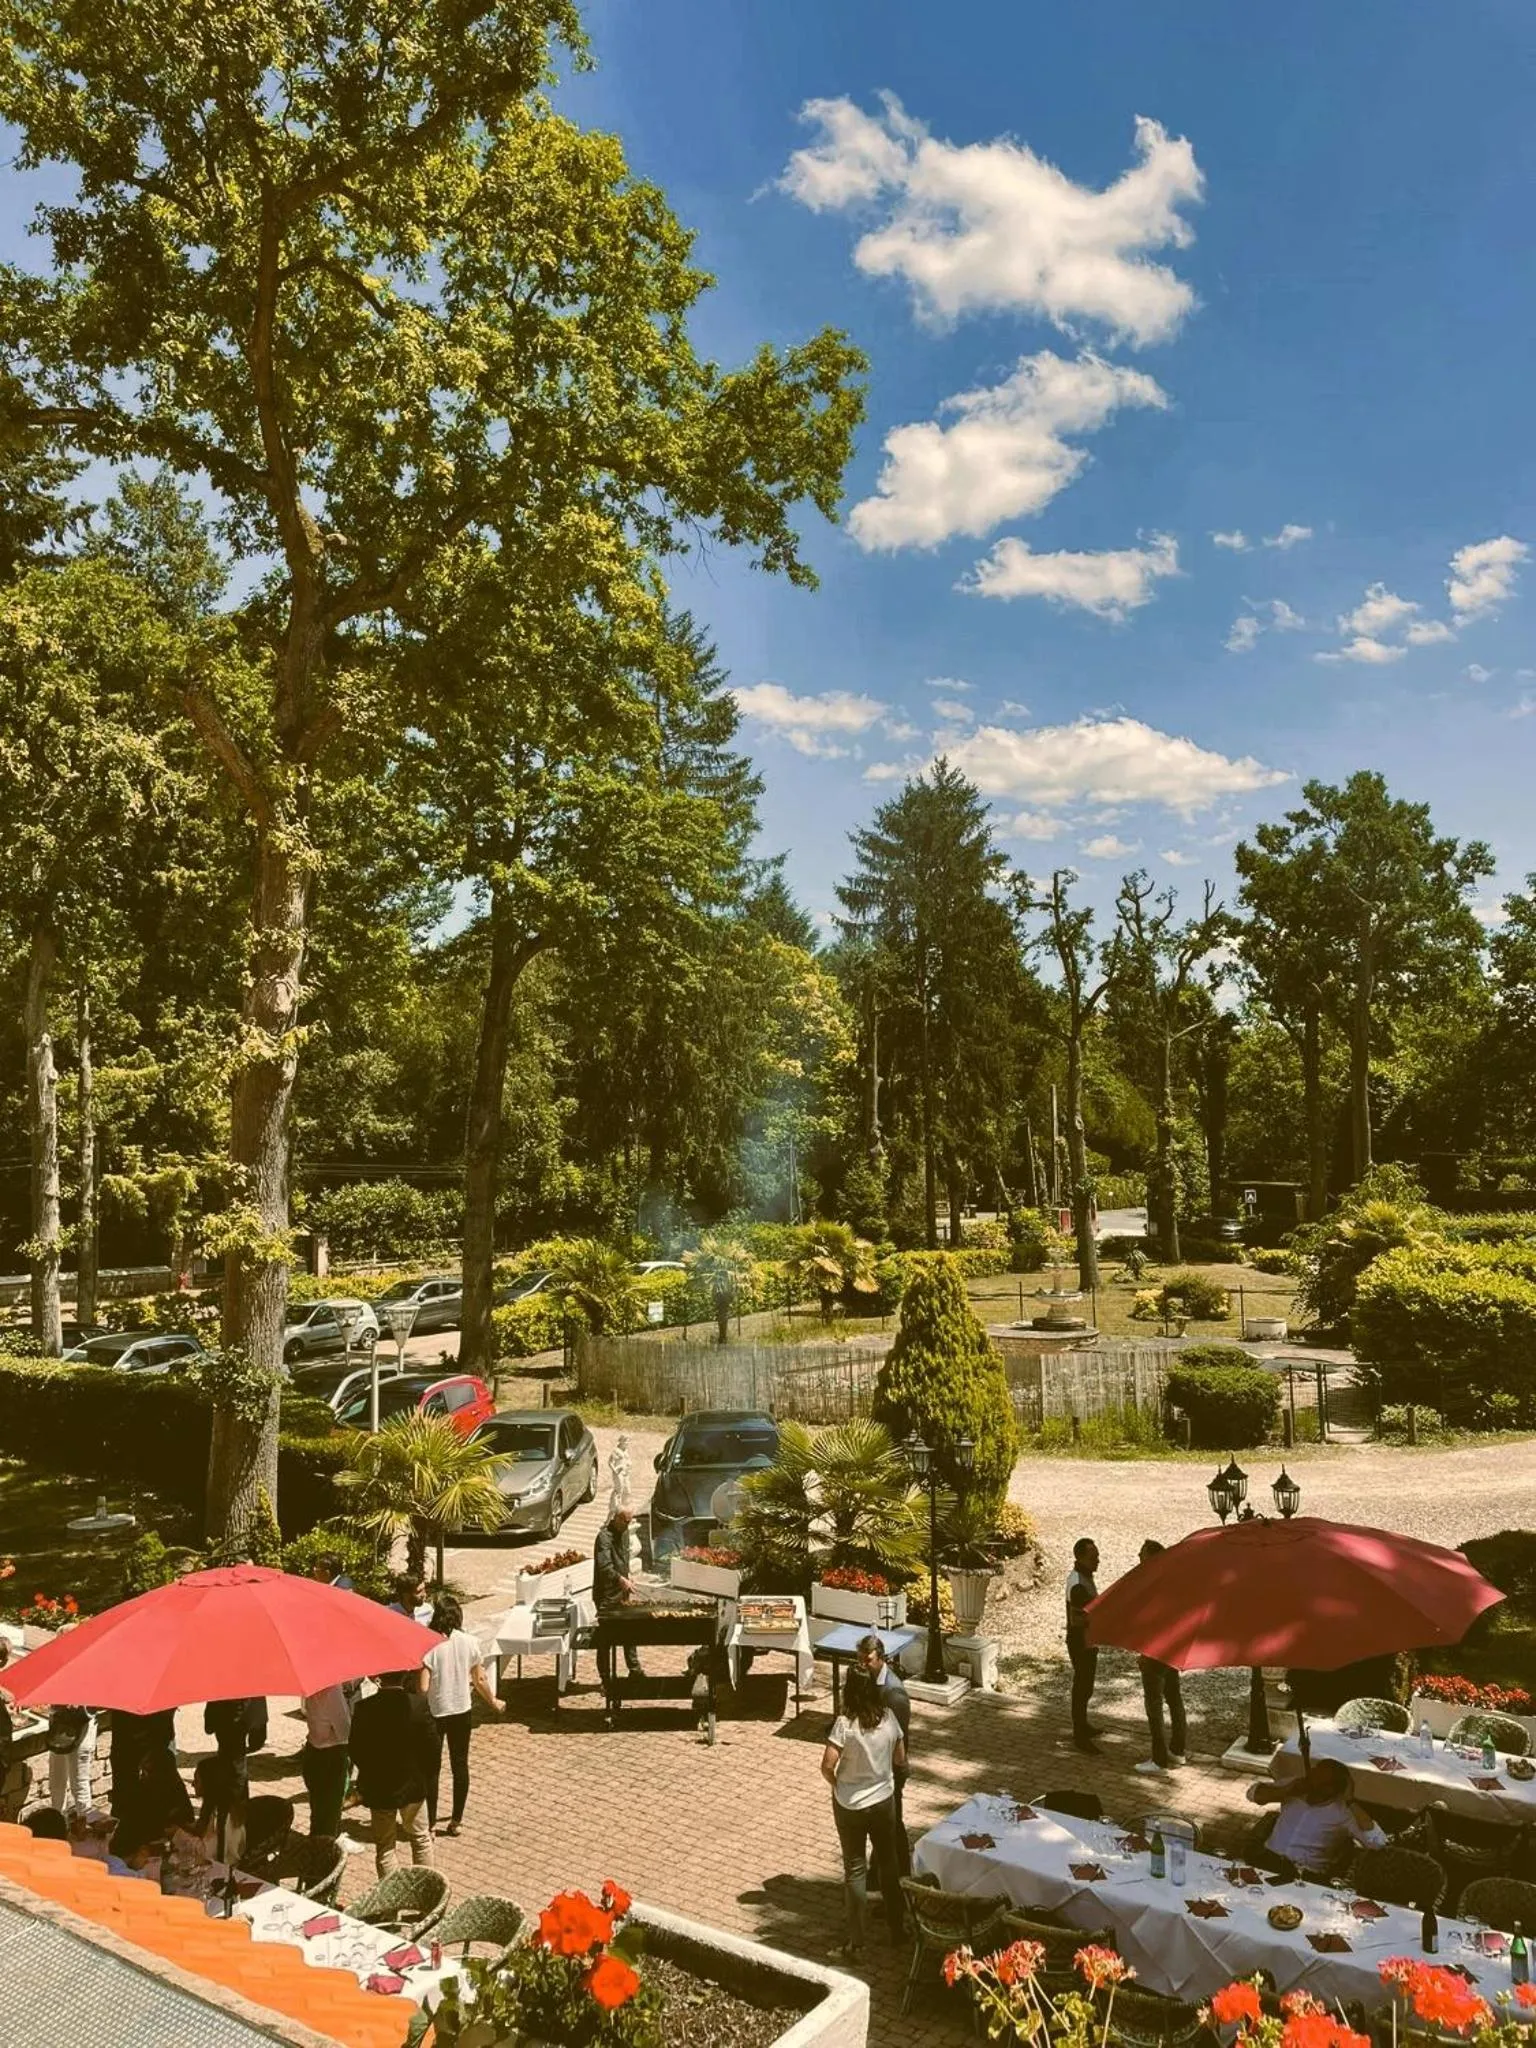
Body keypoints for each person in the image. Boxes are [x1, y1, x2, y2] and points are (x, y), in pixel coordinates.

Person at [821, 1666, 906, 1959]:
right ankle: (898, 1928)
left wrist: (839, 1785)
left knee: (855, 1870)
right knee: (889, 1863)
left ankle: (856, 1943)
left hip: (850, 1804)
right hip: (883, 1800)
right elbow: (900, 1759)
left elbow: (827, 1765)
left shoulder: (845, 1725)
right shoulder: (890, 1719)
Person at [423, 1594, 502, 1836]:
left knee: (432, 1769)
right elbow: (479, 1679)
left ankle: (430, 1821)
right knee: (460, 1765)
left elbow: (423, 1687)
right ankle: (456, 1819)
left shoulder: (429, 1645)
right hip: (461, 1710)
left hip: (436, 1711)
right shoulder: (469, 1642)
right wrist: (494, 1702)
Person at [349, 1667, 437, 1877]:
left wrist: (370, 1773)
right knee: (421, 1839)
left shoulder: (365, 1707)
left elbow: (355, 1749)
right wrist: (425, 1775)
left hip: (379, 1787)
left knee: (386, 1847)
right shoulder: (417, 1705)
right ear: (405, 1675)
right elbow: (433, 1746)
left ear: (378, 1678)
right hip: (413, 1784)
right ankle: (425, 1894)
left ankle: (391, 1903)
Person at [1247, 1759, 1387, 1878]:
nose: (1310, 1781)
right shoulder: (1295, 1787)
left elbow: (1378, 1843)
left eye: (1317, 1780)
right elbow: (1253, 1794)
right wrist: (1285, 1791)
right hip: (1268, 1858)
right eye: (1312, 1775)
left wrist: (1350, 1801)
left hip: (1305, 1873)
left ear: (1331, 1789)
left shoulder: (1345, 1813)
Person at [856, 1633, 912, 1878]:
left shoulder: (894, 1693)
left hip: (891, 1769)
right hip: (877, 1767)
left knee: (893, 1825)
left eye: (867, 1660)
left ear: (881, 1658)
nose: (863, 1665)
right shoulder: (869, 1680)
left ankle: (901, 1877)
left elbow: (898, 1740)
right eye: (860, 1660)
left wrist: (891, 1771)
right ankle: (876, 1873)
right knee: (881, 1825)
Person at [1132, 1540, 1187, 1775]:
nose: (1138, 1556)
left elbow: (1152, 1623)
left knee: (1154, 1706)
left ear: (1152, 1557)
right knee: (1174, 1699)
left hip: (1156, 1652)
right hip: (1172, 1649)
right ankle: (1178, 1750)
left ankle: (1159, 1759)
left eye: (1142, 1554)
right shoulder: (1173, 1582)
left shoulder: (1153, 1584)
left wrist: (1146, 1653)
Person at [593, 1508, 644, 1684]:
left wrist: (628, 1576)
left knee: (628, 1631)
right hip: (606, 1595)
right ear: (615, 1519)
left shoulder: (624, 1533)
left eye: (630, 1522)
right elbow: (605, 1567)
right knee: (606, 1637)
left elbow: (623, 1559)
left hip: (621, 1593)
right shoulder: (604, 1538)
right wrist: (620, 1580)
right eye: (625, 1521)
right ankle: (605, 1678)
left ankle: (635, 1669)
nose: (627, 1525)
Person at [300, 1678, 353, 1842]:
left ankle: (316, 1841)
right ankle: (326, 1849)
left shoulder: (310, 1683)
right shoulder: (332, 1689)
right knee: (330, 1808)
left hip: (313, 1749)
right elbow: (345, 1730)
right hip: (331, 1754)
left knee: (318, 1807)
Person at [1065, 1536, 1101, 1753]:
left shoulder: (1084, 1576)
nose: (1098, 1560)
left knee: (1086, 1687)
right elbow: (1077, 1619)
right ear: (1080, 1558)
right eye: (1093, 1557)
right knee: (1081, 1687)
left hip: (1087, 1640)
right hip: (1080, 1642)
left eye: (1097, 1556)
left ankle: (1083, 1725)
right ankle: (1080, 1735)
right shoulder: (1078, 1585)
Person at [203, 1696, 267, 1801]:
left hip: (230, 1720)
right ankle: (237, 1803)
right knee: (234, 1764)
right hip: (234, 1721)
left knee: (235, 1767)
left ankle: (237, 1804)